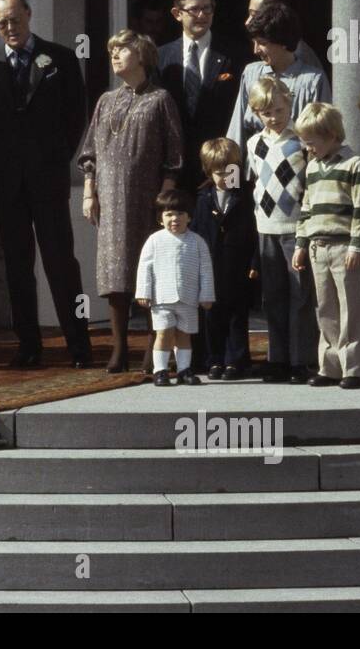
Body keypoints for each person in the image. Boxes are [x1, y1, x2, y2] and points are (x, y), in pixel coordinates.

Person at [0, 0, 92, 369]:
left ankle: (79, 344)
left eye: (14, 19)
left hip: (48, 177)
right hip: (8, 181)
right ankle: (28, 346)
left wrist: (57, 157)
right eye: (1, 23)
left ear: (28, 13)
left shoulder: (61, 58)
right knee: (17, 266)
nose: (9, 27)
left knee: (61, 262)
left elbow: (77, 115)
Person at [78, 30, 184, 374]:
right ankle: (119, 348)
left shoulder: (160, 99)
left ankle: (153, 350)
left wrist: (164, 199)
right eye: (111, 51)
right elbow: (90, 151)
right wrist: (89, 191)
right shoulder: (106, 100)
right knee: (115, 274)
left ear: (141, 55)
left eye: (121, 50)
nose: (115, 56)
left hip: (146, 199)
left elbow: (174, 153)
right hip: (110, 200)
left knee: (151, 272)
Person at [291, 102, 360, 390]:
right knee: (324, 307)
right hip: (317, 245)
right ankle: (330, 366)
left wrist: (356, 245)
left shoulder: (354, 164)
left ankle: (353, 368)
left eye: (312, 142)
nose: (308, 148)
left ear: (332, 136)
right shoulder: (312, 166)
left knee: (349, 306)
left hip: (342, 245)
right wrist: (301, 243)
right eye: (305, 142)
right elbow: (307, 207)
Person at [244, 76, 316, 383]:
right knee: (272, 295)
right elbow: (258, 182)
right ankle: (278, 358)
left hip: (295, 226)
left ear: (290, 105)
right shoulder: (253, 143)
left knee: (299, 294)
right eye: (266, 112)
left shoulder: (300, 140)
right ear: (257, 113)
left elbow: (310, 183)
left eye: (279, 109)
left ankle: (301, 360)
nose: (274, 117)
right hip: (265, 227)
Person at [156, 0, 241, 190]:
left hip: (221, 168)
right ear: (177, 14)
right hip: (175, 171)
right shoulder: (161, 57)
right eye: (194, 10)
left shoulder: (234, 54)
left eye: (207, 9)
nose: (202, 15)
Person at [226, 0, 330, 153]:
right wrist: (231, 176)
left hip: (299, 171)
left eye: (261, 43)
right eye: (254, 42)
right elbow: (235, 134)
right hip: (256, 173)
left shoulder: (313, 80)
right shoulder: (250, 73)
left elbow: (324, 136)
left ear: (282, 41)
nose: (255, 50)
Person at [191, 138, 259, 379]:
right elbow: (197, 231)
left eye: (231, 171)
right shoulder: (202, 198)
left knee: (237, 315)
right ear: (209, 171)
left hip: (237, 264)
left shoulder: (246, 195)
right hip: (210, 266)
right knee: (212, 315)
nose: (226, 177)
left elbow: (254, 231)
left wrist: (254, 262)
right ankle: (214, 359)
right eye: (219, 173)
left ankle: (236, 360)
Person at [135, 189, 215, 386]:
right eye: (169, 214)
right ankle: (160, 370)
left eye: (180, 214)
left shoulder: (197, 242)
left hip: (188, 298)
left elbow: (206, 270)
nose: (175, 219)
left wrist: (206, 295)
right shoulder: (154, 240)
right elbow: (144, 268)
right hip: (162, 299)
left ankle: (183, 369)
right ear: (160, 218)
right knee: (163, 333)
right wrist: (143, 292)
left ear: (189, 217)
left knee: (184, 335)